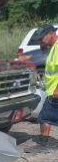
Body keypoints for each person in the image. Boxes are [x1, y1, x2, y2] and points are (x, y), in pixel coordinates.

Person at [26, 24, 58, 153]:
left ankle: (43, 145)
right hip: (52, 90)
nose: (41, 40)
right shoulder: (52, 48)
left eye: (42, 37)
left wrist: (57, 89)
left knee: (44, 117)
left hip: (55, 92)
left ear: (51, 33)